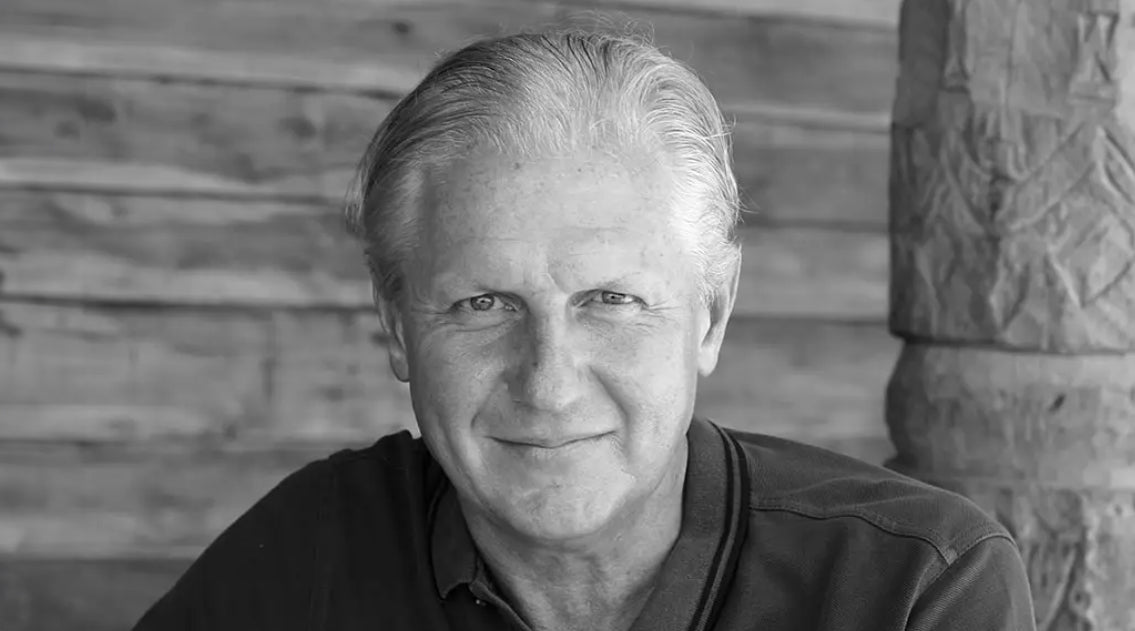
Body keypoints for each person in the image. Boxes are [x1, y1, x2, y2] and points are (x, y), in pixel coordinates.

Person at [133, 28, 1036, 631]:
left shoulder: (912, 586)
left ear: (710, 315)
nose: (549, 381)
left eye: (611, 300)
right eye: (483, 304)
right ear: (399, 331)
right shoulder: (312, 553)